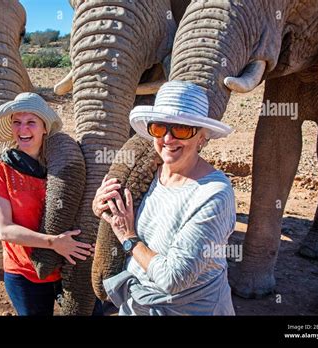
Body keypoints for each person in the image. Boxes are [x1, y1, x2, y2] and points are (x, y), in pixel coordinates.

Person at [92, 81, 236, 315]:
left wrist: (128, 238)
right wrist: (103, 207)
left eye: (181, 128)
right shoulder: (148, 173)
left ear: (202, 137)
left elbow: (172, 278)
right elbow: (121, 218)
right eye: (159, 128)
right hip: (137, 304)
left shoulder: (214, 194)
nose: (168, 138)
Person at [0, 92, 94, 316]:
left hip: (65, 266)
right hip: (24, 273)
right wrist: (53, 243)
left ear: (44, 128)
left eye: (31, 122)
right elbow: (5, 230)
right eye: (17, 123)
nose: (23, 130)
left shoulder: (60, 167)